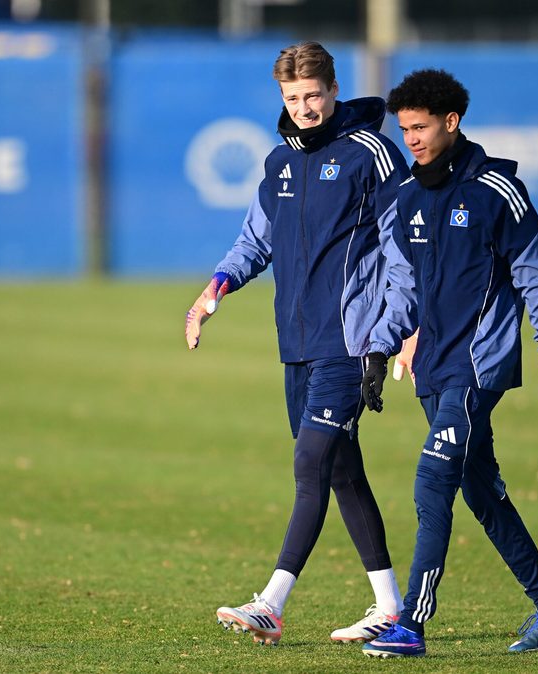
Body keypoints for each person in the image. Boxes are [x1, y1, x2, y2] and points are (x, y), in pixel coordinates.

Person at [184, 41, 416, 646]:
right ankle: (390, 606)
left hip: (350, 340)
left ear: (335, 90)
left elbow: (403, 250)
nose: (305, 107)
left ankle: (272, 603)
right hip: (296, 342)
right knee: (341, 471)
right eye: (293, 98)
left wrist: (407, 326)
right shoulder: (279, 161)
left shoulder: (374, 155)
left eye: (314, 95)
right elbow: (254, 241)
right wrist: (215, 288)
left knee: (311, 462)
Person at [359, 68, 538, 658]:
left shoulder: (496, 191)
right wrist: (379, 351)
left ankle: (411, 623)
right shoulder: (406, 199)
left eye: (420, 127)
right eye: (404, 128)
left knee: (432, 481)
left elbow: (537, 277)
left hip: (477, 368)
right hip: (433, 372)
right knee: (483, 493)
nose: (410, 138)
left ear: (451, 122)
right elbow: (403, 288)